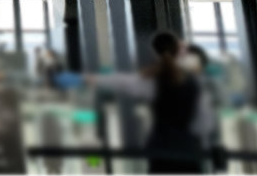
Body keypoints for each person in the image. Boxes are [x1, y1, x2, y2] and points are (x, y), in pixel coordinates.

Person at [67, 32, 203, 173]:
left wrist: (87, 78)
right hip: (188, 148)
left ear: (156, 52)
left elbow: (123, 82)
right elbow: (204, 121)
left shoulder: (155, 79)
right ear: (181, 51)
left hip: (161, 147)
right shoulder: (192, 81)